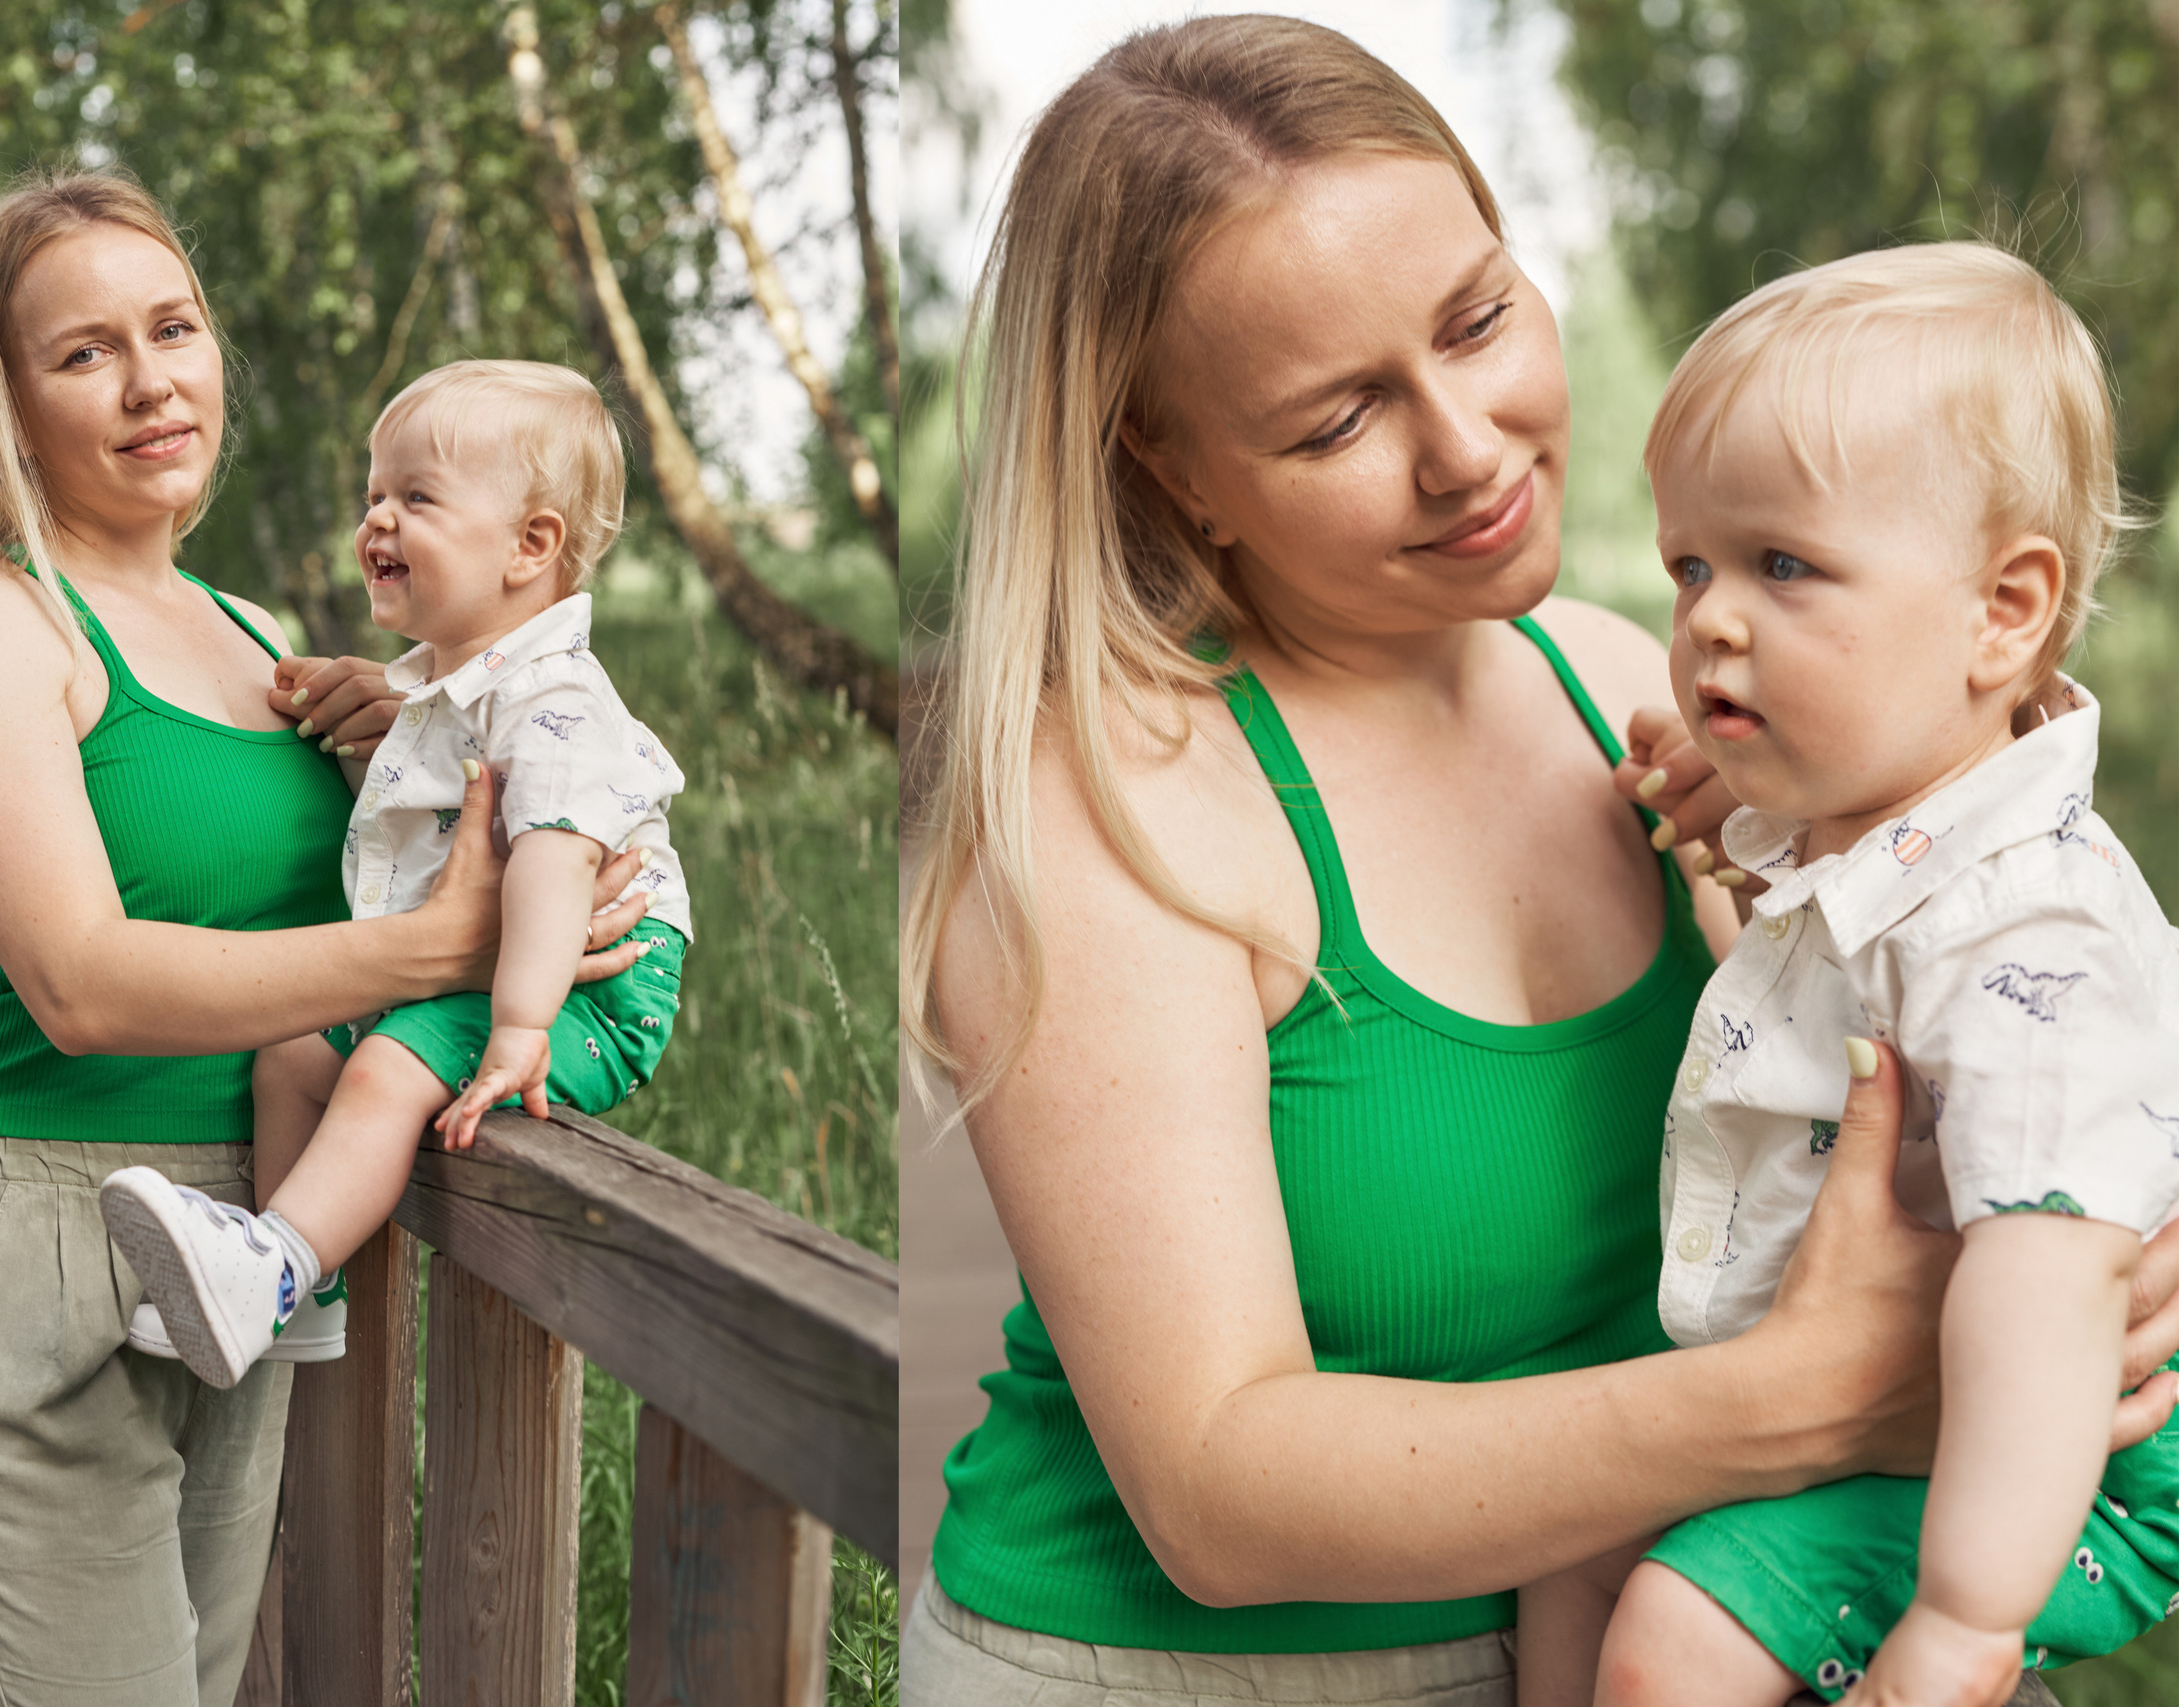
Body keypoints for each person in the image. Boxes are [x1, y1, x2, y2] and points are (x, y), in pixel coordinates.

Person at [894, 20, 2179, 1706]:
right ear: (1171, 465)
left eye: (1478, 318)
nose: (1470, 447)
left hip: (1640, 1615)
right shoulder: (1107, 810)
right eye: (1338, 416)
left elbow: (1983, 951)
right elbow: (1214, 1497)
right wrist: (1841, 1388)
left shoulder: (1639, 689)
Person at [0, 166, 649, 1706]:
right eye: (84, 351)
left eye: (175, 327)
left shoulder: (252, 632)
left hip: (240, 1244)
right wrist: (443, 950)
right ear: (8, 404)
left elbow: (286, 892)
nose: (154, 380)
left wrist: (391, 753)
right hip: (30, 1247)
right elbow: (82, 979)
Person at [1522, 246, 2179, 1707]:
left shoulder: (2032, 942)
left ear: (2002, 612)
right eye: (1693, 562)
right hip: (1911, 1399)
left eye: (1784, 566)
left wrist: (1963, 1613)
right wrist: (1737, 798)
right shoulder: (1889, 812)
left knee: (1673, 1638)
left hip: (2054, 1460)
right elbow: (1828, 957)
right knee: (1564, 1540)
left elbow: (2052, 1289)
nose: (1709, 618)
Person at [100, 359, 691, 1389]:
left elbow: (551, 869)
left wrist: (519, 1031)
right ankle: (296, 1295)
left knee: (381, 1071)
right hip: (497, 969)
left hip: (584, 990)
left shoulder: (553, 700)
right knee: (290, 1051)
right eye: (374, 494)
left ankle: (273, 1265)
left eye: (416, 498)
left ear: (531, 546)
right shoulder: (453, 688)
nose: (376, 521)